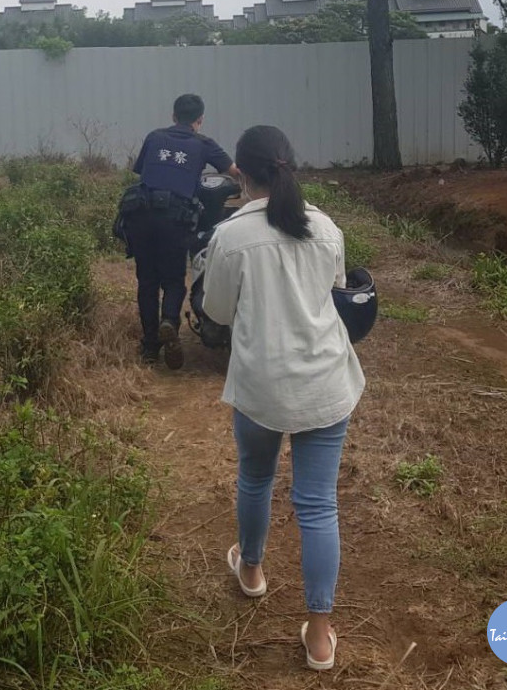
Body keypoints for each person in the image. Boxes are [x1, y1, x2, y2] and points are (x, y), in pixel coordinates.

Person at [201, 125, 365, 672]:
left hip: (261, 387)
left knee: (255, 478)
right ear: (289, 166)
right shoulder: (326, 228)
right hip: (325, 383)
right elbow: (335, 292)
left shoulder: (230, 237)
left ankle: (251, 572)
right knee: (318, 505)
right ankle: (319, 636)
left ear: (241, 174)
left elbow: (218, 313)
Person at [125, 93, 239, 368]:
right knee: (174, 279)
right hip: (174, 219)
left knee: (148, 282)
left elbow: (142, 172)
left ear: (173, 116)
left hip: (140, 215)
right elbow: (234, 171)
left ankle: (151, 347)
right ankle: (170, 322)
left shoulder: (154, 137)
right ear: (199, 120)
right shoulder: (204, 143)